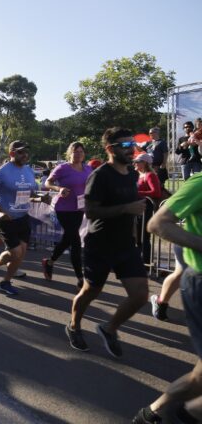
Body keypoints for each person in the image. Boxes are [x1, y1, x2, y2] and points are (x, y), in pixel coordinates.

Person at [65, 127, 148, 358]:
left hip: (125, 245)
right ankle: (74, 325)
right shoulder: (100, 176)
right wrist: (126, 208)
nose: (131, 149)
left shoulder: (131, 174)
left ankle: (109, 328)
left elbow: (132, 210)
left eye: (132, 144)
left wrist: (135, 238)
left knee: (140, 295)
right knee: (91, 290)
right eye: (125, 145)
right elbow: (91, 211)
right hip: (99, 244)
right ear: (110, 149)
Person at [133, 172, 202, 423]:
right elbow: (157, 224)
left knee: (199, 376)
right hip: (200, 281)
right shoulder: (200, 182)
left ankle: (156, 413)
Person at [0, 141, 51, 296]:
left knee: (21, 253)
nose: (24, 155)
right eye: (20, 152)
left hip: (23, 216)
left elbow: (30, 195)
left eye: (26, 152)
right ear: (12, 153)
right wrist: (1, 211)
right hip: (6, 218)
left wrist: (41, 198)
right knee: (15, 252)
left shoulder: (29, 171)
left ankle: (5, 282)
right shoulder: (1, 171)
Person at [41, 142, 92, 287]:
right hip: (63, 208)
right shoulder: (63, 168)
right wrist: (59, 188)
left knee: (68, 238)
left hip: (79, 208)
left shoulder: (88, 169)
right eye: (75, 151)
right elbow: (47, 183)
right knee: (75, 240)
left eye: (81, 151)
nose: (78, 154)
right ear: (70, 153)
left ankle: (49, 262)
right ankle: (80, 278)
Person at [134, 152, 161, 266]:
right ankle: (140, 261)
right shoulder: (139, 175)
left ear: (144, 163)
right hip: (138, 207)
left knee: (144, 236)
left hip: (146, 207)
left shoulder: (150, 175)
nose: (135, 163)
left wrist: (137, 193)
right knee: (138, 236)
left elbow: (156, 192)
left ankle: (146, 262)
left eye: (137, 161)